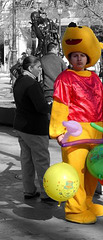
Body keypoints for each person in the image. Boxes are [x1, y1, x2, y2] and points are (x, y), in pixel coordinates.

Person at [49, 22, 103, 224]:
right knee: (76, 172)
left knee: (93, 171)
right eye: (74, 55)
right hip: (74, 133)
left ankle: (87, 203)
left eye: (82, 55)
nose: (78, 59)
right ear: (69, 57)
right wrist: (58, 130)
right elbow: (60, 106)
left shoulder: (94, 78)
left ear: (88, 57)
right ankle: (74, 210)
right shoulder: (64, 78)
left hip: (95, 132)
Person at [13, 56, 51, 201]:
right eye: (38, 67)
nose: (41, 69)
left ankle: (29, 190)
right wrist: (51, 105)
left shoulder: (19, 81)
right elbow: (41, 107)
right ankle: (47, 192)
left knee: (26, 160)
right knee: (41, 160)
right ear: (30, 68)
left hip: (21, 126)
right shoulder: (32, 84)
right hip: (34, 128)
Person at [41, 42, 67, 114]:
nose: (57, 51)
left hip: (47, 89)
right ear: (53, 49)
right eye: (57, 49)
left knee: (48, 112)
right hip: (59, 89)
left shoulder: (42, 60)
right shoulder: (59, 60)